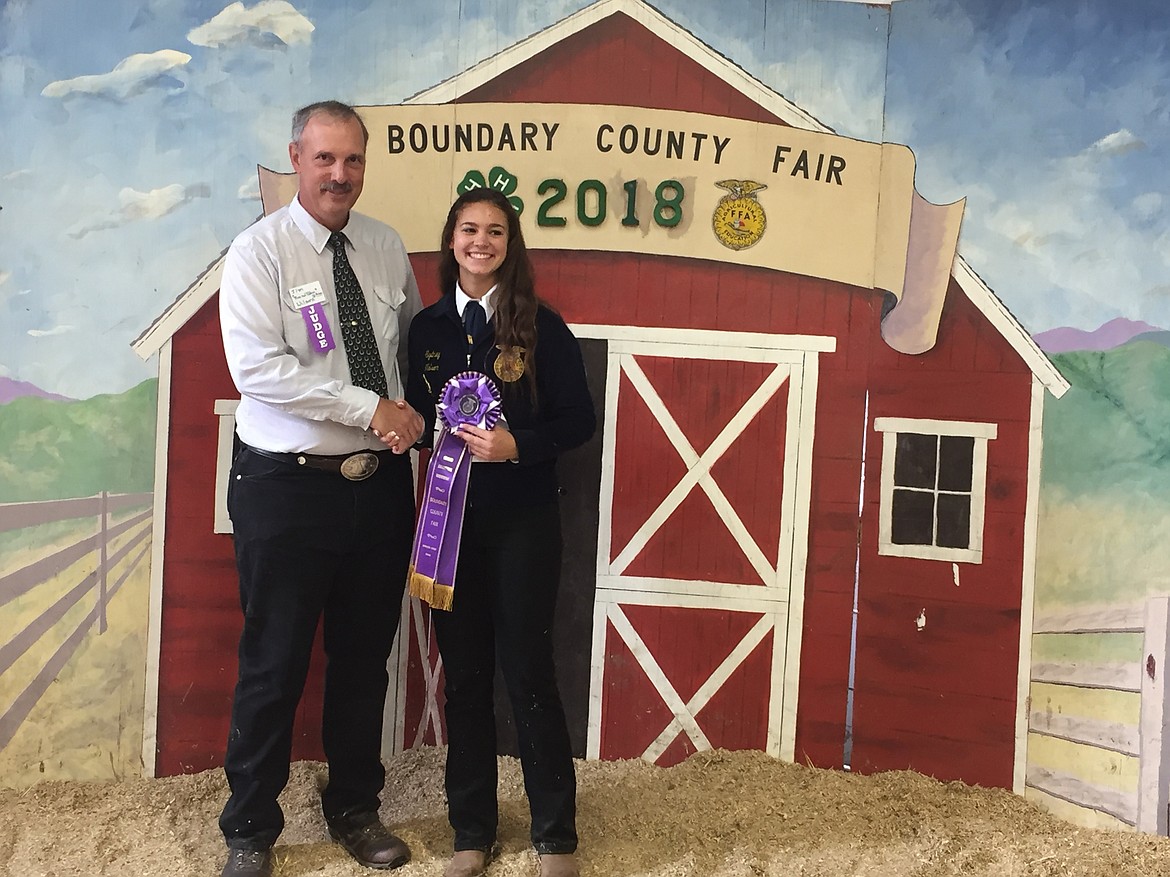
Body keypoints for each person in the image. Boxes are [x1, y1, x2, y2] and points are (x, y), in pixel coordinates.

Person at [217, 100, 424, 877]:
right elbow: (259, 373)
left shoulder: (384, 245)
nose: (341, 175)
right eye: (326, 159)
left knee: (364, 657)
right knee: (274, 660)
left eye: (354, 161)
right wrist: (369, 406)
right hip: (288, 486)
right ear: (297, 157)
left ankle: (355, 809)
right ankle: (249, 827)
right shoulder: (259, 253)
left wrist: (413, 418)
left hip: (377, 489)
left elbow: (403, 353)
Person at [405, 187, 596, 877]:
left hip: (524, 527)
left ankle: (555, 837)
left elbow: (579, 421)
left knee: (530, 675)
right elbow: (420, 419)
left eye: (494, 231)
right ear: (450, 240)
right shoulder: (424, 331)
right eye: (467, 229)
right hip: (450, 533)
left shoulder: (543, 327)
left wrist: (516, 446)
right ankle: (472, 832)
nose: (480, 241)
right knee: (465, 681)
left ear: (510, 245)